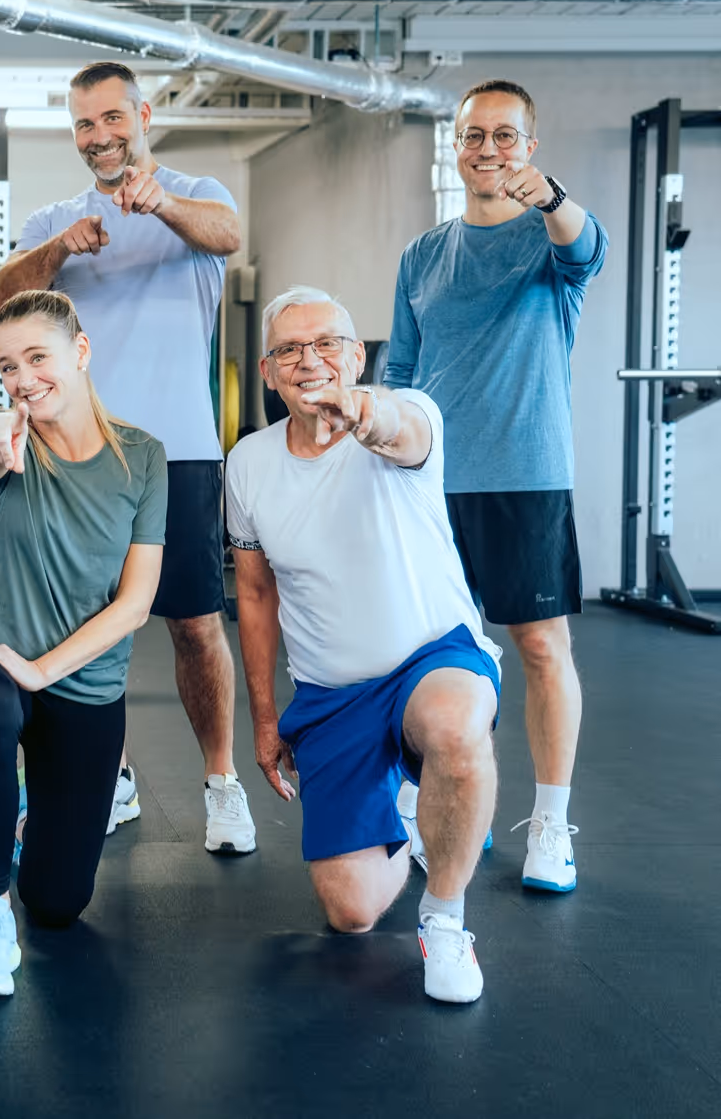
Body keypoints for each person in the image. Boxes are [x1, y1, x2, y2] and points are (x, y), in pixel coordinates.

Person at [0, 61, 253, 854]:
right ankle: (118, 778)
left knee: (196, 625)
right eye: (82, 124)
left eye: (111, 119)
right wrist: (61, 250)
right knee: (89, 625)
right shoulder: (54, 218)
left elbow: (228, 237)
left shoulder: (199, 194)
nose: (99, 136)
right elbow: (4, 294)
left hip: (178, 451)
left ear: (142, 114)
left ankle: (221, 781)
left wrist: (161, 203)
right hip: (80, 452)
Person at [228, 286, 500, 1003]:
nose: (307, 359)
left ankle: (445, 920)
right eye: (289, 348)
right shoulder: (248, 463)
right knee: (350, 911)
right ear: (267, 371)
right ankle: (414, 806)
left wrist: (363, 411)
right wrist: (263, 717)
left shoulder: (411, 417)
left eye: (325, 344)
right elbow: (255, 596)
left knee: (452, 724)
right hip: (331, 692)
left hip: (432, 655)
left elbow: (400, 429)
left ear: (356, 356)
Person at [384, 79, 607, 894]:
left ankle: (551, 821)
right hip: (432, 481)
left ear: (530, 146)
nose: (487, 149)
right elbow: (400, 367)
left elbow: (588, 246)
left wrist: (550, 199)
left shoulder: (552, 240)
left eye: (505, 136)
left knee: (542, 646)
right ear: (456, 144)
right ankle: (446, 802)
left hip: (525, 474)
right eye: (474, 135)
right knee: (437, 654)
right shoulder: (423, 253)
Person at [0, 290, 166, 997]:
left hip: (80, 684)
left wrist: (40, 669)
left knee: (59, 905)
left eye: (38, 357)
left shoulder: (144, 459)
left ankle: (30, 825)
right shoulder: (7, 439)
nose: (23, 377)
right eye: (7, 366)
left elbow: (136, 603)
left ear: (80, 351)